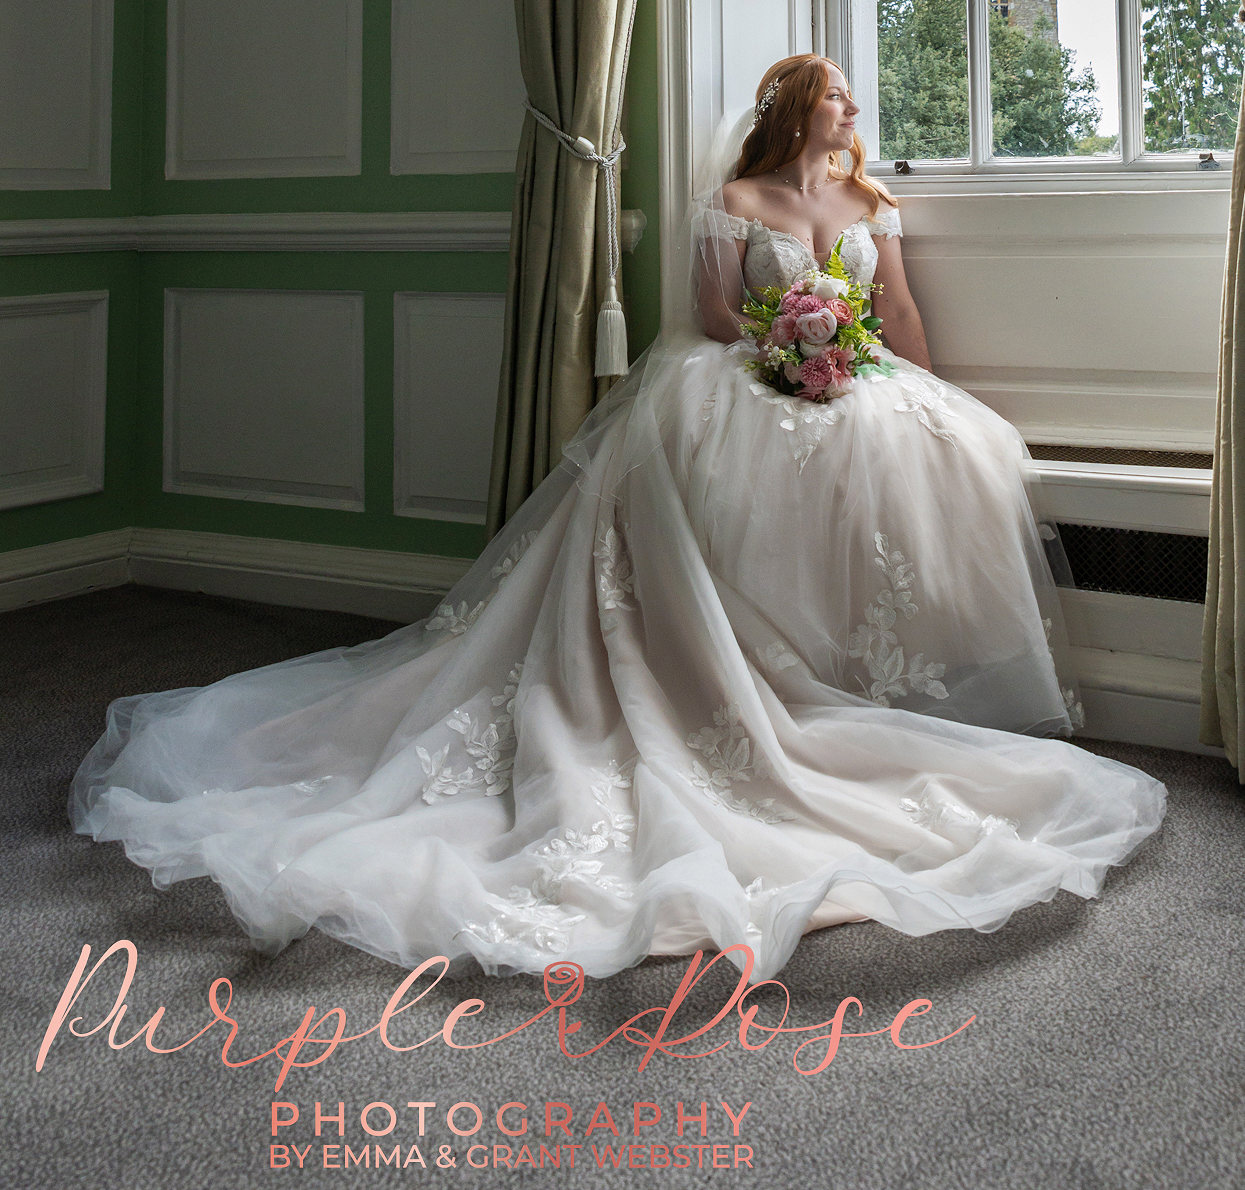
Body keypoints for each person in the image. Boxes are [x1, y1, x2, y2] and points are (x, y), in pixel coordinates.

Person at [71, 55, 1164, 979]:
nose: (853, 114)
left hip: (855, 374)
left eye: (850, 104)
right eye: (837, 98)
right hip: (752, 371)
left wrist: (910, 385)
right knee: (731, 472)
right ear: (795, 108)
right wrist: (791, 350)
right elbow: (712, 313)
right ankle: (732, 678)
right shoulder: (737, 204)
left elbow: (902, 309)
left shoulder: (874, 205)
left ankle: (849, 686)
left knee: (918, 455)